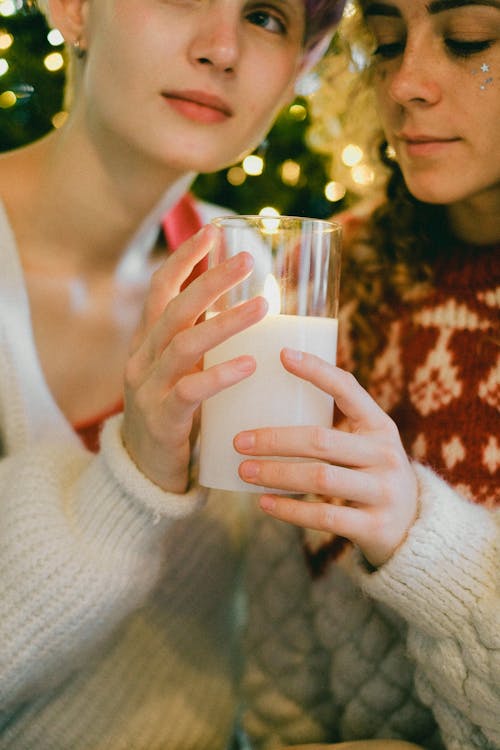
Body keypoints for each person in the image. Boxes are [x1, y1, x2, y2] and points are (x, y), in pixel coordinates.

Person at [0, 1, 347, 748]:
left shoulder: (265, 285)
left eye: (264, 16)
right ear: (70, 7)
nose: (221, 49)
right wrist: (136, 475)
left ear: (306, 61)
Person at [235, 1, 499, 748]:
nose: (404, 82)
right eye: (385, 42)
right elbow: (281, 613)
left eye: (468, 39)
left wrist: (418, 535)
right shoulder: (330, 278)